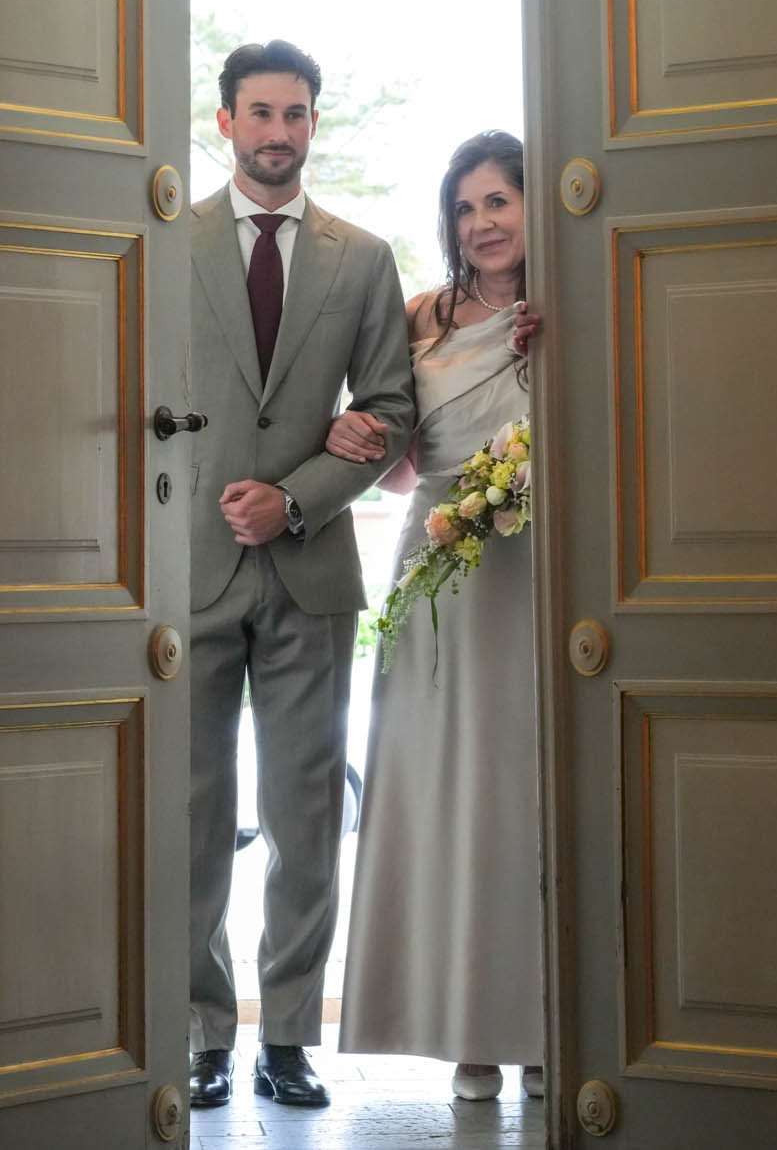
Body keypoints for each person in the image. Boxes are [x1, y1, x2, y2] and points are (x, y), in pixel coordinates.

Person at [185, 40, 416, 1111]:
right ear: (226, 120)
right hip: (188, 568)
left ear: (313, 124)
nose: (278, 131)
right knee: (192, 814)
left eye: (295, 114)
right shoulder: (165, 242)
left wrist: (298, 495)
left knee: (305, 817)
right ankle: (201, 1030)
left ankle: (285, 1036)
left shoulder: (361, 259)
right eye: (260, 111)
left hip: (310, 569)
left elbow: (391, 408)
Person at [330, 130, 546, 1102]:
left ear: (532, 207)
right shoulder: (421, 314)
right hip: (437, 559)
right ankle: (467, 1031)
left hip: (537, 563)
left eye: (498, 201)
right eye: (465, 208)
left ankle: (540, 1022)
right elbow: (397, 458)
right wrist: (351, 431)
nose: (481, 223)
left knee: (526, 793)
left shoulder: (566, 307)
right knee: (444, 792)